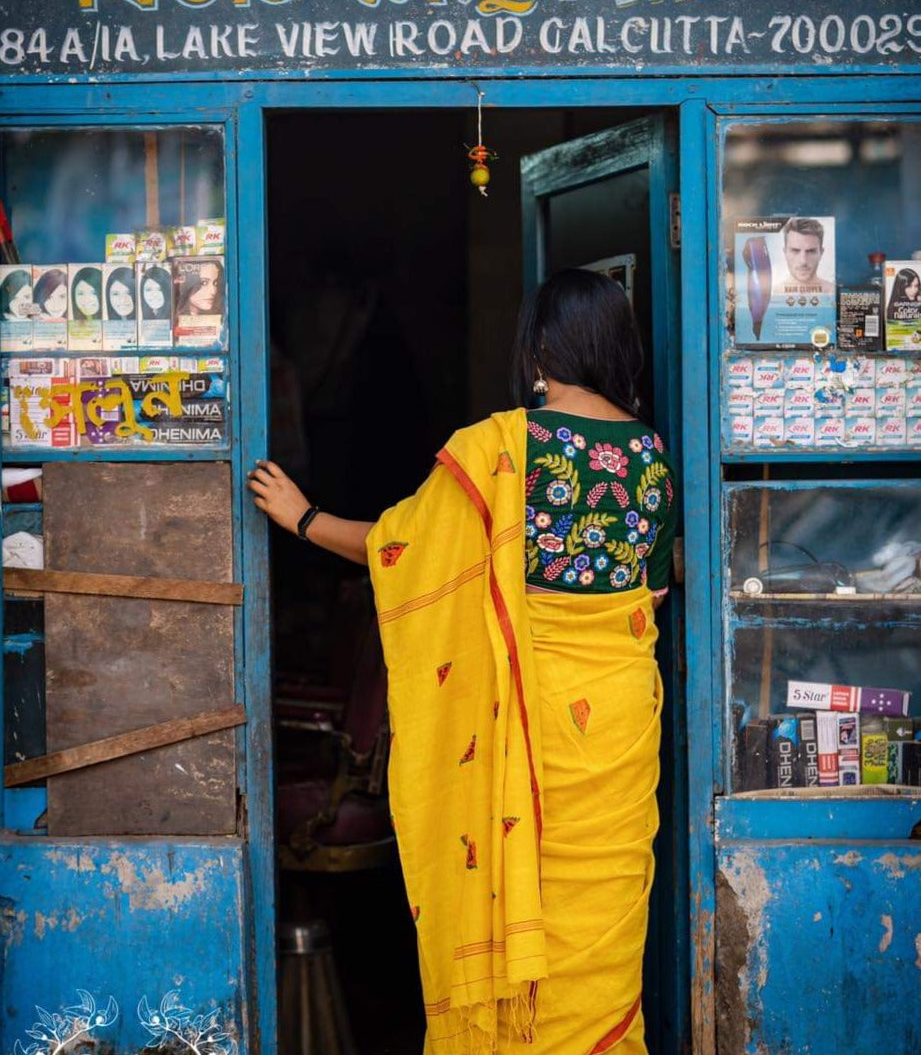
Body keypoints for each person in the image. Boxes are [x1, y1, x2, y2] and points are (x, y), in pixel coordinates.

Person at [249, 268, 677, 1055]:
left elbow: (400, 552)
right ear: (619, 346)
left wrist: (302, 517)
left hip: (527, 738)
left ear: (540, 347)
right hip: (613, 735)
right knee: (599, 952)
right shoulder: (649, 458)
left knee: (518, 930)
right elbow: (649, 598)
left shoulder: (498, 449)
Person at [779, 216, 834, 293]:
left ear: (821, 253)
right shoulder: (771, 293)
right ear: (785, 252)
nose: (803, 261)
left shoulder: (834, 292)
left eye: (811, 251)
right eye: (795, 251)